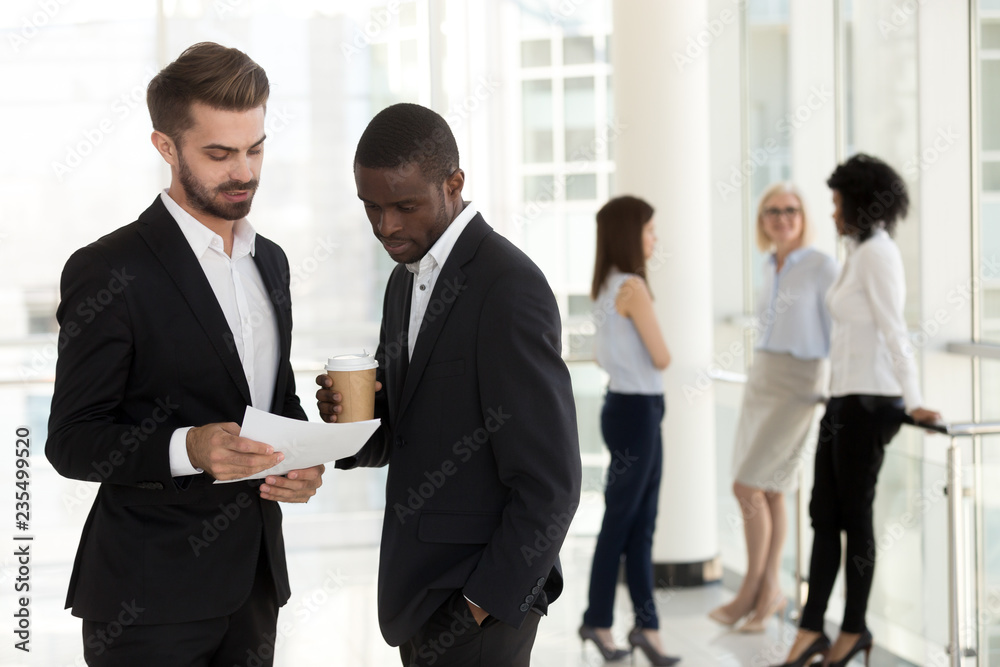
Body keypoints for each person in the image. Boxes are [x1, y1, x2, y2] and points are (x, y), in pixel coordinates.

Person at [46, 42, 323, 666]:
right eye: (220, 154)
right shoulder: (108, 270)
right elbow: (71, 439)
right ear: (165, 148)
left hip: (254, 588)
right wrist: (186, 448)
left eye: (255, 149)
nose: (244, 172)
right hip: (145, 601)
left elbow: (275, 403)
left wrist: (300, 459)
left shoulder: (272, 262)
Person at [314, 102, 582, 667]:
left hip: (479, 600)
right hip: (418, 594)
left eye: (404, 206)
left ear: (453, 183)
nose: (386, 226)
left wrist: (479, 604)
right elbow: (403, 434)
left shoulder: (509, 286)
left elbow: (552, 483)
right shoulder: (401, 281)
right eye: (372, 208)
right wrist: (352, 425)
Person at [777, 154, 941, 667]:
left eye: (837, 202)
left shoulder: (878, 256)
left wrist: (913, 401)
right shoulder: (859, 251)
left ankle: (852, 630)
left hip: (870, 406)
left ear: (860, 203)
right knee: (824, 515)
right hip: (843, 402)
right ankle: (811, 630)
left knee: (853, 518)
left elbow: (895, 329)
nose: (831, 212)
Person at [708, 184, 838, 633]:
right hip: (762, 375)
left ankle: (752, 590)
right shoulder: (769, 264)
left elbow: (836, 332)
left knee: (747, 487)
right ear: (762, 220)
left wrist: (834, 390)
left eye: (791, 209)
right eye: (772, 211)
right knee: (772, 490)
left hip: (799, 384)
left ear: (804, 216)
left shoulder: (822, 266)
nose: (782, 217)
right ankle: (770, 594)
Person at [578, 195, 679, 665]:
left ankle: (647, 628)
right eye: (650, 230)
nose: (655, 238)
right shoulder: (633, 287)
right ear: (629, 233)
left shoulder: (604, 286)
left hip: (623, 406)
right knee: (627, 523)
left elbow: (600, 355)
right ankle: (599, 620)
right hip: (639, 411)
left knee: (635, 524)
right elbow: (663, 357)